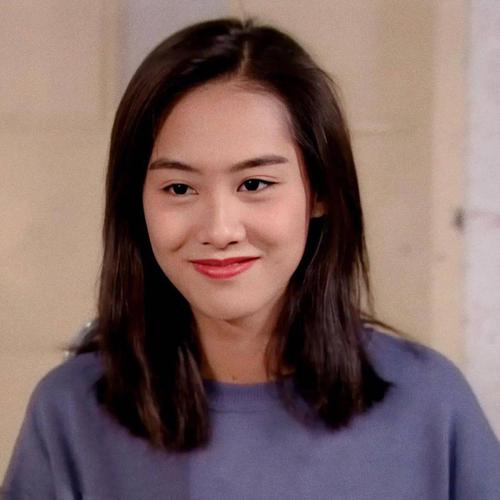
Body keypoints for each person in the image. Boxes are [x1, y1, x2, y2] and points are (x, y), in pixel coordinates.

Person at [2, 17, 500, 500]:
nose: (220, 230)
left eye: (255, 184)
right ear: (135, 202)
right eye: (179, 188)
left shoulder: (429, 405)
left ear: (320, 192)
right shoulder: (71, 413)